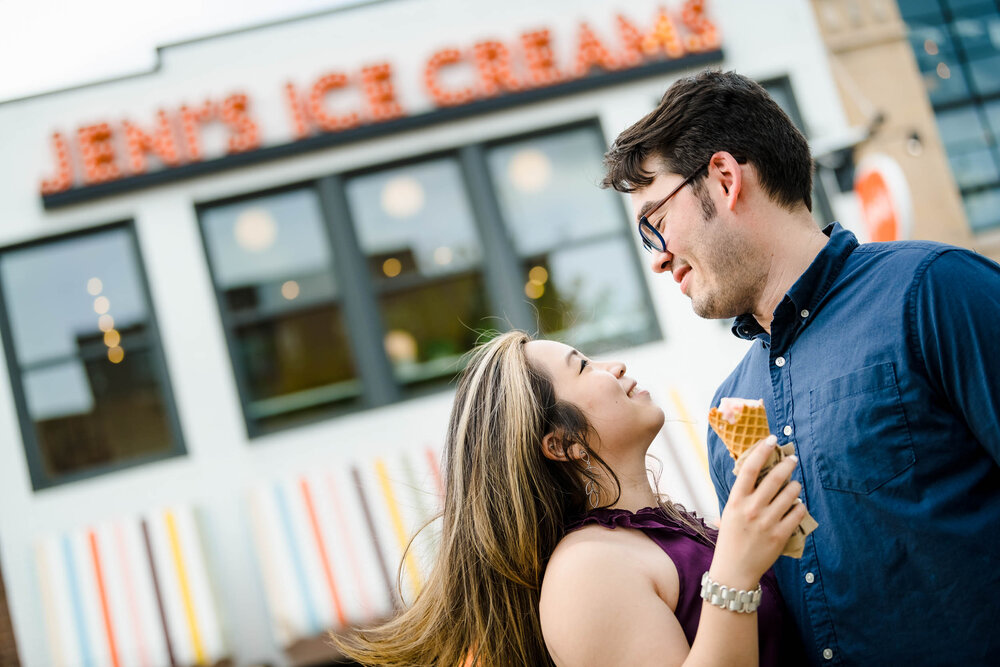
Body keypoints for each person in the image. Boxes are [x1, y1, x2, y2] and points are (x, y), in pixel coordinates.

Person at [602, 69, 1000, 666]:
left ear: (724, 178)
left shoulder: (936, 291)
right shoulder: (727, 414)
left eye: (654, 222)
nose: (658, 260)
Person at [333, 330, 807, 666]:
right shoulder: (586, 570)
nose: (615, 366)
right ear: (562, 444)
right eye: (584, 366)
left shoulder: (657, 531)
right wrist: (737, 570)